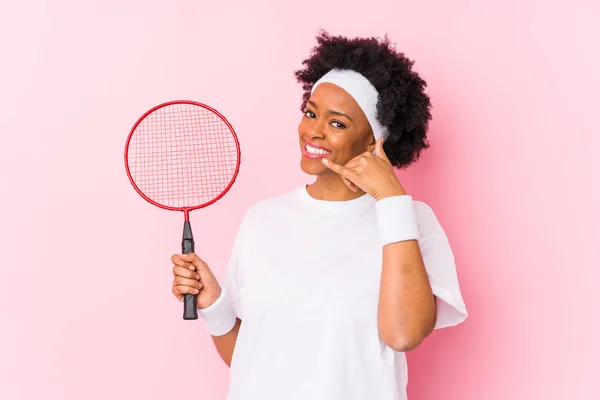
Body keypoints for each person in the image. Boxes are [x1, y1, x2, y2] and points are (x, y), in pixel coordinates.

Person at [170, 31, 468, 400]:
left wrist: (391, 198)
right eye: (311, 113)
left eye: (337, 123)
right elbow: (254, 363)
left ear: (375, 140)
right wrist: (214, 305)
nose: (313, 131)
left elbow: (403, 334)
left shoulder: (409, 220)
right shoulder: (262, 220)